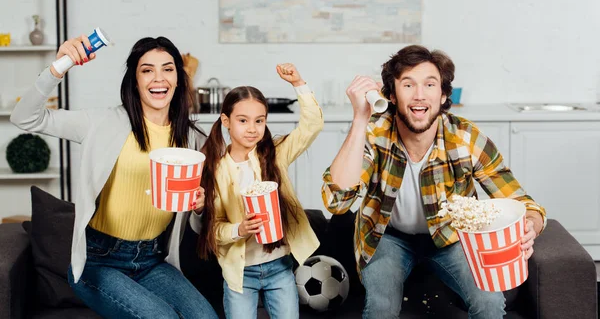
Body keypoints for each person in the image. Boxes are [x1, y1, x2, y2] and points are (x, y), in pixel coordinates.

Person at [321, 45, 547, 319]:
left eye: (430, 84)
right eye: (408, 84)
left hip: (452, 238)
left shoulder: (465, 139)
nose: (419, 95)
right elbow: (337, 201)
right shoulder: (374, 134)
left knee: (488, 303)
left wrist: (530, 227)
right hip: (387, 237)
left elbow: (524, 203)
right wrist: (360, 119)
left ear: (443, 95)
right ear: (391, 95)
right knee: (381, 308)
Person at [11, 35, 218, 319]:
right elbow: (25, 118)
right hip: (98, 261)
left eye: (168, 69)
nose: (159, 78)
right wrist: (59, 66)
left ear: (179, 78)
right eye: (147, 70)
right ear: (134, 80)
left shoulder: (192, 139)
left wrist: (200, 206)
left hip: (152, 260)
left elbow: (195, 222)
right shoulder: (101, 123)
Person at [193, 63, 323, 319]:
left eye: (259, 121)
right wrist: (238, 230)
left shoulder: (275, 154)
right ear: (226, 121)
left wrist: (299, 84)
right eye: (243, 121)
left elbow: (312, 126)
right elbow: (214, 227)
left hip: (279, 267)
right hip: (240, 273)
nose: (252, 128)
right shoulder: (216, 170)